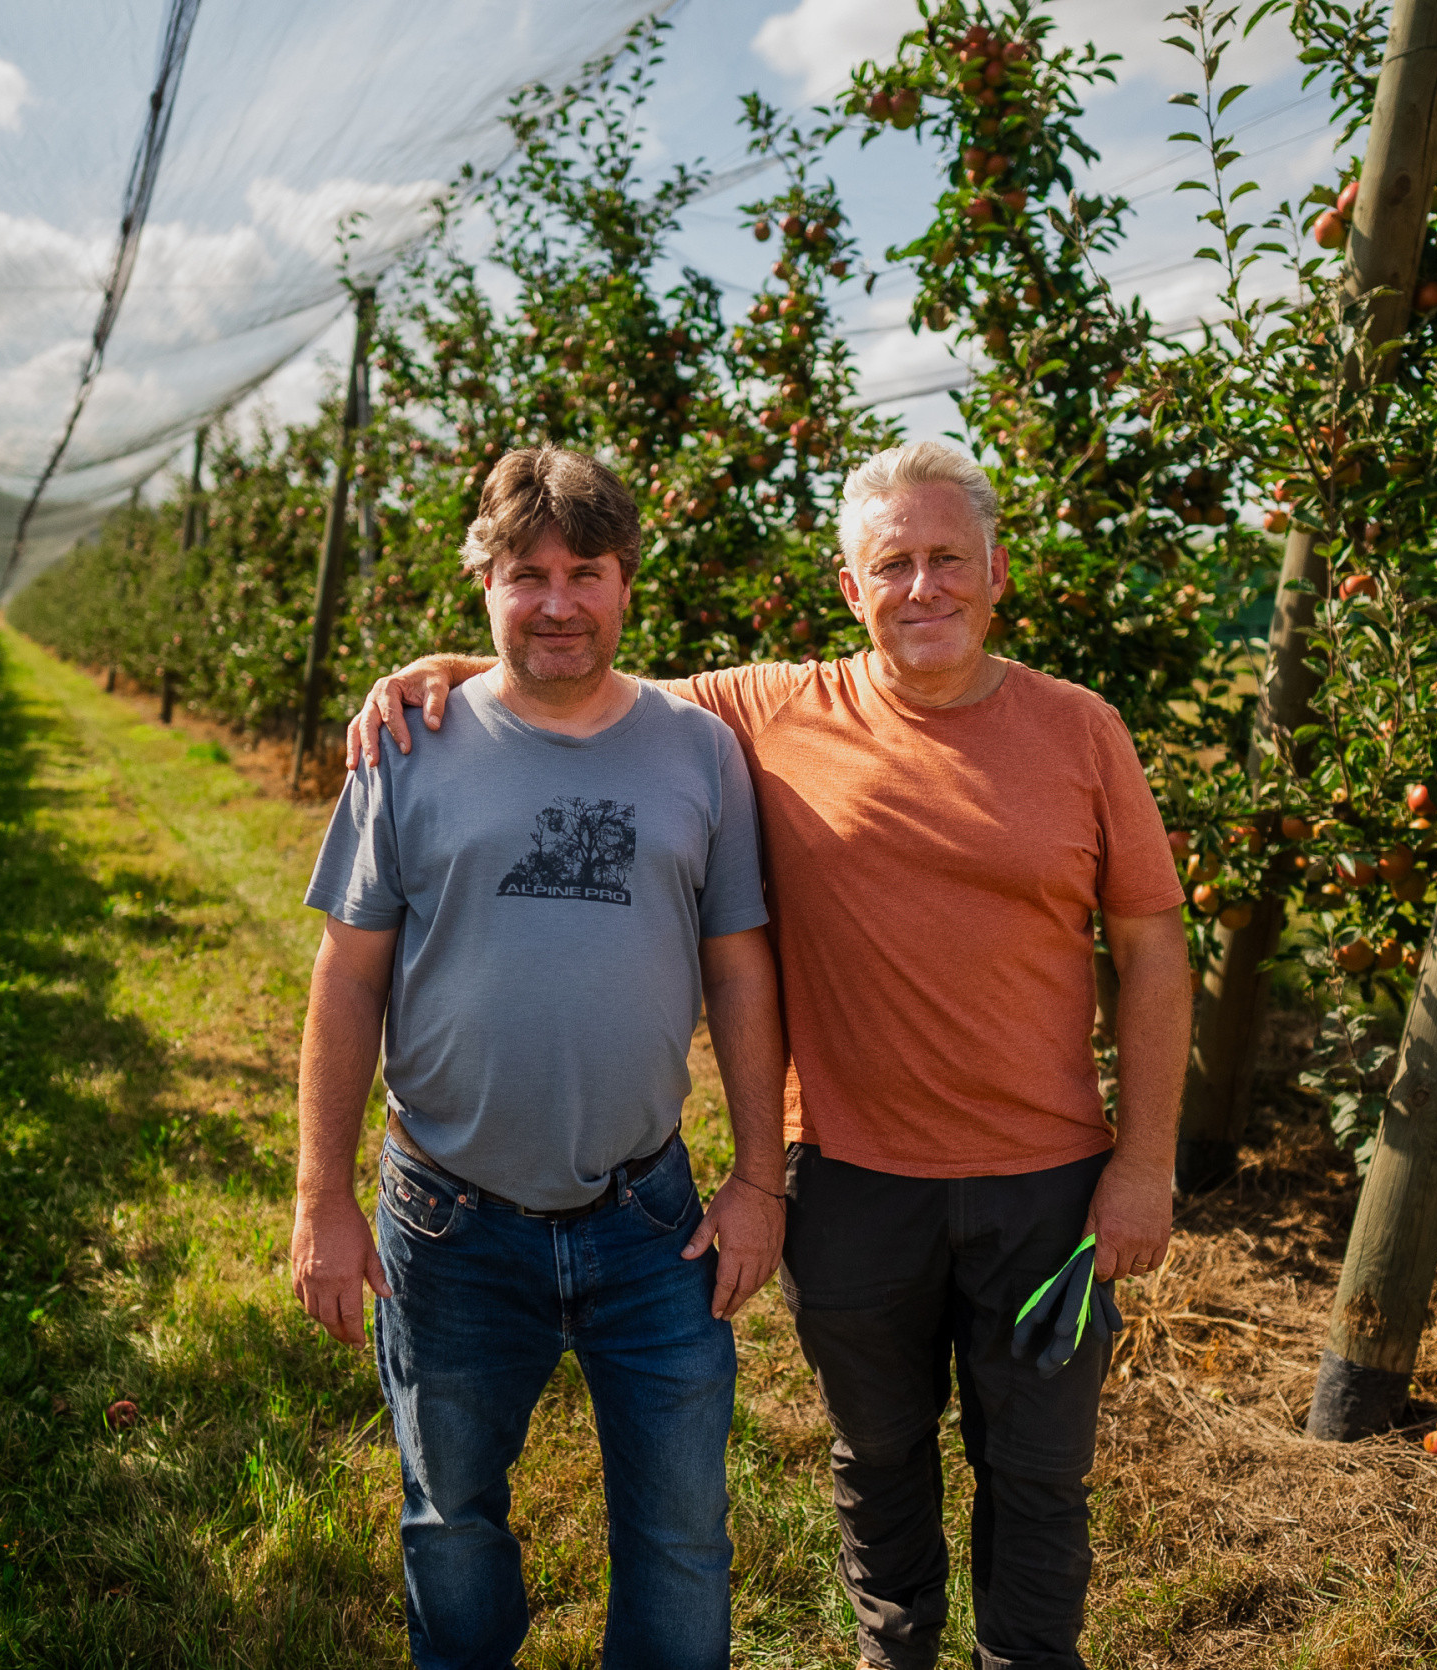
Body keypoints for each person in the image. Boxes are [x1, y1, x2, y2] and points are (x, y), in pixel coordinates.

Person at [345, 439, 1191, 1670]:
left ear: (998, 569)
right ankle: (890, 1653)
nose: (921, 588)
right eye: (889, 563)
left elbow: (1153, 952)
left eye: (946, 557)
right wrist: (461, 665)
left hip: (1044, 1185)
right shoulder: (769, 710)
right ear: (850, 589)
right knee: (880, 1455)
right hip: (849, 1178)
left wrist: (1145, 1159)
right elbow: (586, 674)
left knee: (1039, 1470)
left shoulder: (1079, 729)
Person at [291, 445, 788, 1670]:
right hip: (449, 1216)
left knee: (680, 1539)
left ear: (626, 585)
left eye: (585, 571)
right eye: (527, 575)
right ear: (484, 585)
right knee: (452, 1522)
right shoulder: (406, 745)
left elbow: (738, 970)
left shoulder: (698, 749)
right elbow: (348, 977)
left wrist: (761, 1176)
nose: (557, 601)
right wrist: (321, 1195)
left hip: (647, 1216)